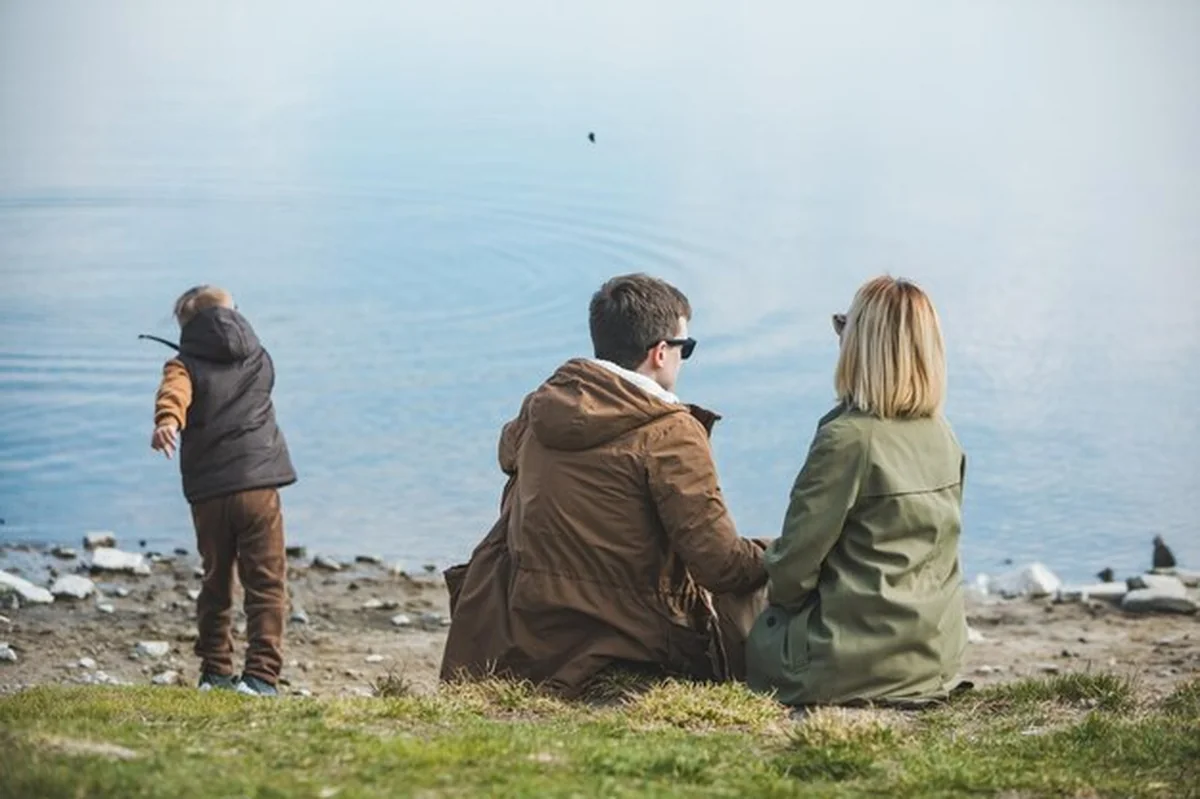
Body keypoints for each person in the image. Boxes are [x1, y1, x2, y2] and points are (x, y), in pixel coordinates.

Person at [440, 273, 768, 696]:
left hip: (530, 634)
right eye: (686, 347)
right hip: (636, 639)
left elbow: (507, 455)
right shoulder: (671, 432)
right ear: (660, 352)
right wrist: (782, 553)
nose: (684, 359)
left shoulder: (541, 409)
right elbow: (720, 564)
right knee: (768, 576)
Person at [746, 276, 967, 707]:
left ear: (861, 346)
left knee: (738, 626)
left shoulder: (847, 439)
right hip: (934, 656)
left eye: (844, 327)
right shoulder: (944, 435)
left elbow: (792, 572)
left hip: (851, 664)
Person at [150, 285, 297, 697]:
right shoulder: (259, 357)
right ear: (235, 316)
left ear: (188, 328)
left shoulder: (182, 365)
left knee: (216, 580)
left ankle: (216, 673)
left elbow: (175, 393)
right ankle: (262, 678)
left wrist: (168, 421)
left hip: (211, 491)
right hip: (259, 485)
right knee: (267, 583)